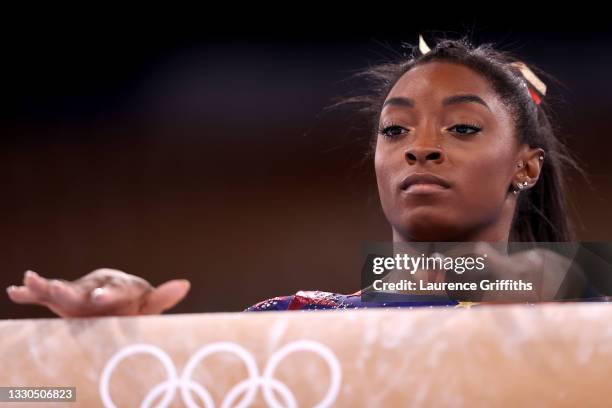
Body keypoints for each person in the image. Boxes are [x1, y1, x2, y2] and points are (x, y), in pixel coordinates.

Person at [6, 34, 592, 317]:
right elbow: (26, 396)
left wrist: (562, 287)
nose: (421, 150)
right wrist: (109, 349)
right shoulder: (295, 321)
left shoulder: (586, 309)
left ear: (526, 165)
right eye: (396, 131)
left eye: (462, 128)